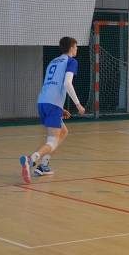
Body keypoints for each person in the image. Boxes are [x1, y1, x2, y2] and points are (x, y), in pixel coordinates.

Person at [19, 36, 86, 183]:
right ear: (71, 48)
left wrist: (60, 108)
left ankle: (43, 166)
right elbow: (67, 83)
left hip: (43, 102)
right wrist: (78, 104)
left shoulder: (53, 61)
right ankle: (31, 159)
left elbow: (51, 85)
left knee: (64, 132)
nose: (77, 49)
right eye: (76, 46)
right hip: (52, 104)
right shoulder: (71, 61)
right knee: (52, 140)